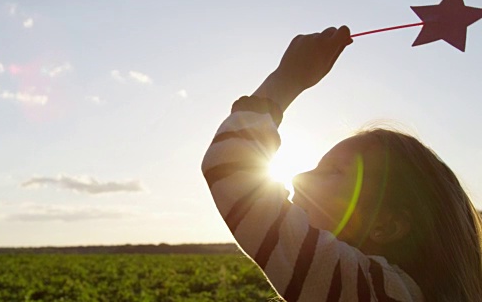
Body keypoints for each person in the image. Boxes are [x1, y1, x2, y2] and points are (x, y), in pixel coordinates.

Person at [201, 26, 482, 301]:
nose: (299, 177)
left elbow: (231, 166)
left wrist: (287, 79)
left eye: (334, 171)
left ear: (387, 225)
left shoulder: (374, 289)